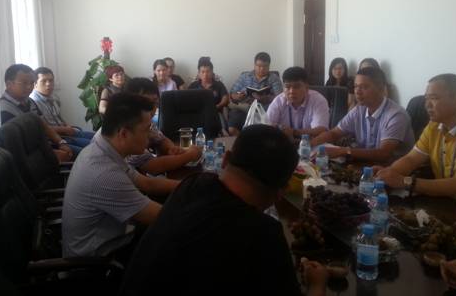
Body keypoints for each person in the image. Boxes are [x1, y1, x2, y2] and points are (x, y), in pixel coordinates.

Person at [121, 125, 328, 296]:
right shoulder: (263, 233)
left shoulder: (191, 186)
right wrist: (317, 284)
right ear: (281, 192)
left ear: (226, 159)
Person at [62, 93, 180, 259]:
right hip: (100, 261)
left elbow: (147, 184)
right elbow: (166, 219)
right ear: (123, 133)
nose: (150, 136)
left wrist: (191, 184)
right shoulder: (105, 174)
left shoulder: (102, 148)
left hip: (114, 237)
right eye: (146, 130)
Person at [376, 74, 456, 215]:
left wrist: (404, 181)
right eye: (426, 98)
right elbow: (411, 159)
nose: (427, 105)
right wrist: (388, 173)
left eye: (434, 98)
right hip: (445, 202)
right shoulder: (434, 125)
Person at [311, 67, 414, 163]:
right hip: (365, 165)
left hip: (393, 169)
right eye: (356, 86)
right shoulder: (359, 110)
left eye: (364, 87)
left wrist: (343, 151)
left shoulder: (396, 115)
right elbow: (334, 133)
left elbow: (383, 153)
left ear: (381, 89)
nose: (357, 92)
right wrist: (309, 144)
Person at [125, 78, 202, 174]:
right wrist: (190, 155)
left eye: (155, 102)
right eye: (145, 103)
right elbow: (153, 167)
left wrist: (171, 148)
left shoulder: (146, 123)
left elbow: (161, 139)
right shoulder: (127, 128)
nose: (152, 108)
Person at [0, 64, 73, 162]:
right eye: (24, 83)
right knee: (83, 156)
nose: (29, 87)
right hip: (29, 157)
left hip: (45, 145)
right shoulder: (4, 110)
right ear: (9, 84)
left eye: (32, 83)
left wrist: (61, 142)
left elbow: (43, 125)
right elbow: (19, 146)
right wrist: (52, 153)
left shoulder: (29, 101)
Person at [30, 67, 94, 157]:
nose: (48, 84)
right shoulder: (33, 103)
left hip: (66, 132)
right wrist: (64, 129)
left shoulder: (54, 97)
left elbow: (58, 117)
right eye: (43, 81)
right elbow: (43, 129)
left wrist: (67, 126)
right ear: (35, 84)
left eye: (51, 80)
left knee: (98, 138)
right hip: (55, 139)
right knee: (91, 149)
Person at [228, 52, 283, 136]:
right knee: (232, 128)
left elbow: (280, 97)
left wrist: (265, 98)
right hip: (244, 108)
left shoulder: (274, 78)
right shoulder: (245, 76)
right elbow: (232, 93)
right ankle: (243, 141)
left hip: (264, 109)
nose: (262, 69)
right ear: (254, 65)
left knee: (270, 124)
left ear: (269, 66)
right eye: (259, 66)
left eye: (265, 66)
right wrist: (238, 96)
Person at [267, 67, 329, 141]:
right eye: (287, 87)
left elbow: (321, 130)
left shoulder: (318, 100)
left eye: (296, 87)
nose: (291, 91)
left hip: (311, 144)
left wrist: (294, 132)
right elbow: (266, 126)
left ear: (306, 87)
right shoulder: (278, 101)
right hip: (284, 143)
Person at [188, 57, 229, 133]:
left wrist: (218, 105)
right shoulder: (193, 85)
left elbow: (225, 98)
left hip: (215, 112)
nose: (205, 74)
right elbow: (186, 99)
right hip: (197, 113)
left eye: (208, 71)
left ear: (212, 72)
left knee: (222, 129)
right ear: (199, 74)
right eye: (203, 72)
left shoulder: (218, 84)